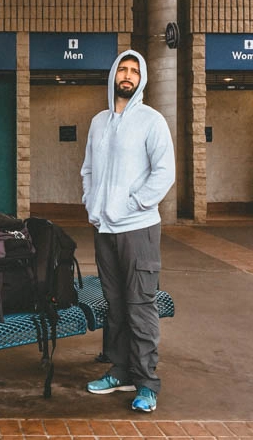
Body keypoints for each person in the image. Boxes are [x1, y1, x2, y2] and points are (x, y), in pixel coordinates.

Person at [80, 49, 175, 413]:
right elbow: (88, 170)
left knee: (140, 306)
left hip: (138, 229)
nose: (128, 75)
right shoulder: (99, 122)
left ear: (142, 78)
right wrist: (92, 203)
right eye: (123, 68)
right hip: (104, 229)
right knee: (116, 305)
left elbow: (164, 172)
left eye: (135, 70)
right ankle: (120, 371)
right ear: (113, 75)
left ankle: (146, 383)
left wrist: (134, 204)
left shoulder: (152, 121)